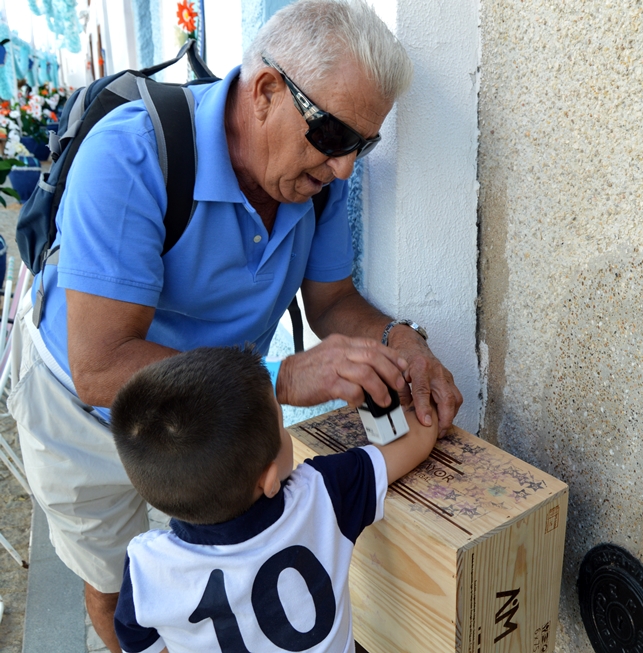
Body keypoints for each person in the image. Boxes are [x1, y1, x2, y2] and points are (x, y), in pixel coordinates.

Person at [8, 0, 462, 650]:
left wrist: (400, 339)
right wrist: (277, 377)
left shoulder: (315, 183)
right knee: (116, 582)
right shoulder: (131, 155)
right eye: (335, 137)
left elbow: (331, 301)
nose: (345, 169)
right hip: (88, 414)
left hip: (221, 419)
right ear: (266, 91)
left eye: (365, 144)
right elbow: (101, 367)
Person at [111, 345, 438, 653]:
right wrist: (426, 400)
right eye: (283, 425)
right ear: (268, 480)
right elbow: (417, 439)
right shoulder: (323, 493)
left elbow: (138, 640)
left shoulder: (146, 569)